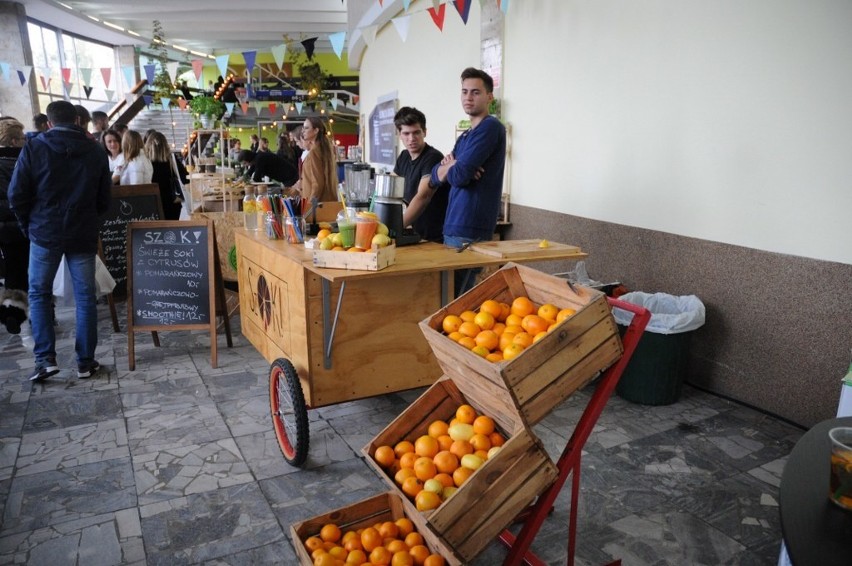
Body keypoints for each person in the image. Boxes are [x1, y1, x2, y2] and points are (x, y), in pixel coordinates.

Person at [8, 100, 111, 381]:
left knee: (39, 294)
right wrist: (91, 221)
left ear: (49, 123)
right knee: (85, 298)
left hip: (44, 231)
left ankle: (45, 361)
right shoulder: (95, 150)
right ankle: (86, 362)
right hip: (82, 232)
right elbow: (105, 198)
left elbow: (16, 194)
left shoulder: (35, 147)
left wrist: (28, 226)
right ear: (78, 120)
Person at [430, 67, 506, 296]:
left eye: (475, 92)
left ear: (489, 97)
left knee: (456, 300)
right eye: (464, 92)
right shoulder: (465, 136)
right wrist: (454, 165)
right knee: (448, 297)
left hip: (469, 227)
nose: (468, 97)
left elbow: (459, 176)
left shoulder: (491, 127)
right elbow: (436, 174)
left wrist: (455, 167)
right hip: (454, 225)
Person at [392, 107, 449, 242]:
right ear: (399, 134)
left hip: (436, 236)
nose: (411, 138)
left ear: (424, 132)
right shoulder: (404, 156)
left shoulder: (433, 157)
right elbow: (392, 189)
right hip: (417, 233)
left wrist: (394, 229)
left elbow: (423, 196)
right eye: (406, 133)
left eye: (416, 132)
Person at [0, 118, 29, 334]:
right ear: (12, 141)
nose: (24, 141)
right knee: (34, 273)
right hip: (26, 224)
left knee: (13, 271)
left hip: (5, 229)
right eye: (22, 138)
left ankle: (12, 312)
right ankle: (43, 313)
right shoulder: (24, 161)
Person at [297, 117, 338, 202]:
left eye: (306, 128)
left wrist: (310, 206)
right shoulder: (325, 149)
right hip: (329, 202)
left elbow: (317, 184)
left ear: (316, 131)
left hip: (317, 206)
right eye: (303, 128)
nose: (303, 131)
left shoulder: (314, 152)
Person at [145, 131, 182, 220]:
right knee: (171, 231)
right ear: (165, 144)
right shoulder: (171, 159)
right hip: (172, 201)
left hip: (152, 202)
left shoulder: (145, 161)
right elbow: (184, 177)